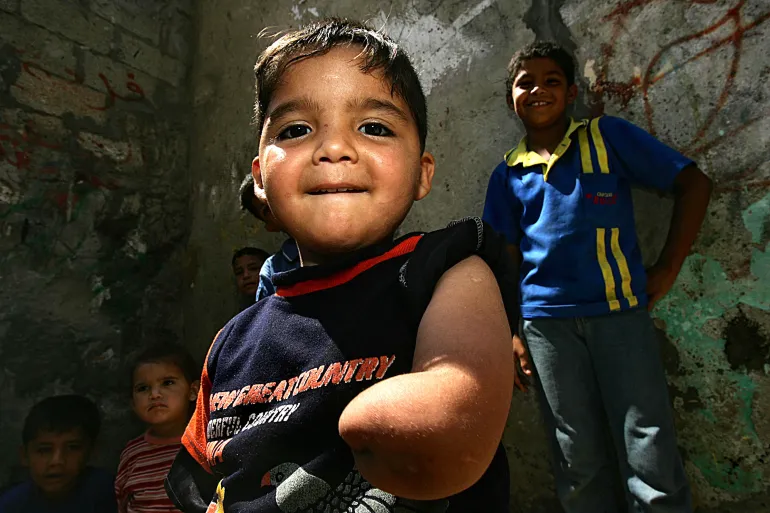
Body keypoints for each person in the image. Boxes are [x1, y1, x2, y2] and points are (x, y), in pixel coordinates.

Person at [165, 18, 517, 512]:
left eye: (374, 128)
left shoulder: (443, 269)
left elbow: (453, 428)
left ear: (422, 172)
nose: (333, 149)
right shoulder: (231, 340)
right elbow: (193, 475)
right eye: (297, 129)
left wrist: (373, 420)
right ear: (261, 178)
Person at [482, 41, 713, 512]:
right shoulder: (508, 173)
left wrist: (667, 267)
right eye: (525, 82)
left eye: (552, 81)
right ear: (511, 100)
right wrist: (511, 332)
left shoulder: (606, 138)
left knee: (647, 445)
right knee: (575, 457)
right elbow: (503, 260)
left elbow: (694, 184)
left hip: (618, 317)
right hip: (545, 329)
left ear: (571, 94)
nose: (538, 90)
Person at [116, 344, 200, 513]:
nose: (154, 394)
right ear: (133, 402)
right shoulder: (132, 454)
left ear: (193, 391)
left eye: (167, 383)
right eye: (143, 388)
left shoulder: (205, 445)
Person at [0, 395, 116, 513]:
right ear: (24, 456)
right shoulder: (11, 505)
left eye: (73, 448)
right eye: (44, 450)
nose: (57, 461)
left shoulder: (112, 494)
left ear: (92, 452)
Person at [239, 173, 300, 300]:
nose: (280, 207)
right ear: (270, 227)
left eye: (280, 196)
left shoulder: (347, 238)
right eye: (267, 209)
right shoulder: (273, 270)